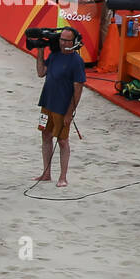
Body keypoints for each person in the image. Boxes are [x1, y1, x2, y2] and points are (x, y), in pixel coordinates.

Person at [35, 25, 84, 187]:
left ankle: (63, 177)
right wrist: (40, 50)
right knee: (45, 136)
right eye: (61, 39)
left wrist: (70, 113)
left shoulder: (77, 61)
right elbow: (41, 72)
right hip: (47, 102)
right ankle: (46, 173)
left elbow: (78, 90)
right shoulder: (55, 55)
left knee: (62, 141)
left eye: (67, 40)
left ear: (74, 42)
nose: (63, 43)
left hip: (62, 107)